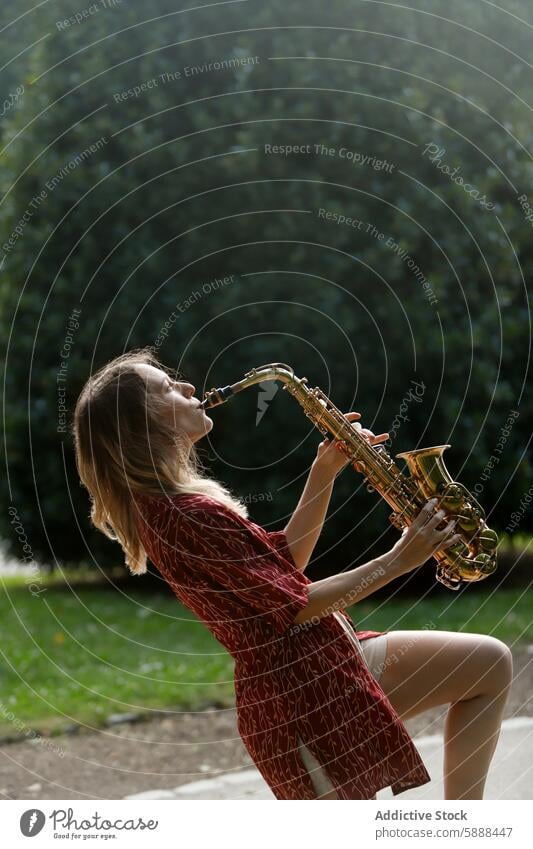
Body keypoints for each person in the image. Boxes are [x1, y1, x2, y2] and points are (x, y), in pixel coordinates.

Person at [72, 347, 512, 800]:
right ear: (144, 427)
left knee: (488, 664)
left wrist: (324, 471)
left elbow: (283, 568)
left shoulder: (177, 508)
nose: (187, 387)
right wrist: (399, 559)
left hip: (326, 665)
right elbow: (292, 608)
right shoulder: (185, 515)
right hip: (302, 699)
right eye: (168, 389)